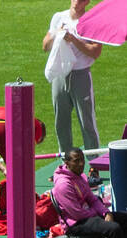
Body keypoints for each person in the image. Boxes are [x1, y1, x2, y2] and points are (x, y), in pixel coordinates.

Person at [51, 149, 127, 238]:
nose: (81, 163)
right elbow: (77, 214)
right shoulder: (63, 185)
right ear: (67, 163)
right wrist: (97, 213)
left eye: (82, 159)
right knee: (114, 228)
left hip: (88, 216)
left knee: (124, 218)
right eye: (77, 161)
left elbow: (92, 199)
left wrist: (105, 212)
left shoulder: (80, 176)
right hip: (76, 224)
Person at [43, 2, 101, 157]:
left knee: (87, 122)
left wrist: (74, 39)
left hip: (81, 75)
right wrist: (57, 33)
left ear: (87, 1)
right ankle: (66, 164)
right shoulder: (58, 17)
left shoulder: (92, 21)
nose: (77, 1)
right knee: (61, 122)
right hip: (60, 75)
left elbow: (95, 52)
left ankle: (93, 164)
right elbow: (45, 45)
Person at [0, 106, 48, 206]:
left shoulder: (21, 120)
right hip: (2, 127)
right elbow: (26, 163)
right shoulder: (36, 127)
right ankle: (18, 207)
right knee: (19, 174)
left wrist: (4, 169)